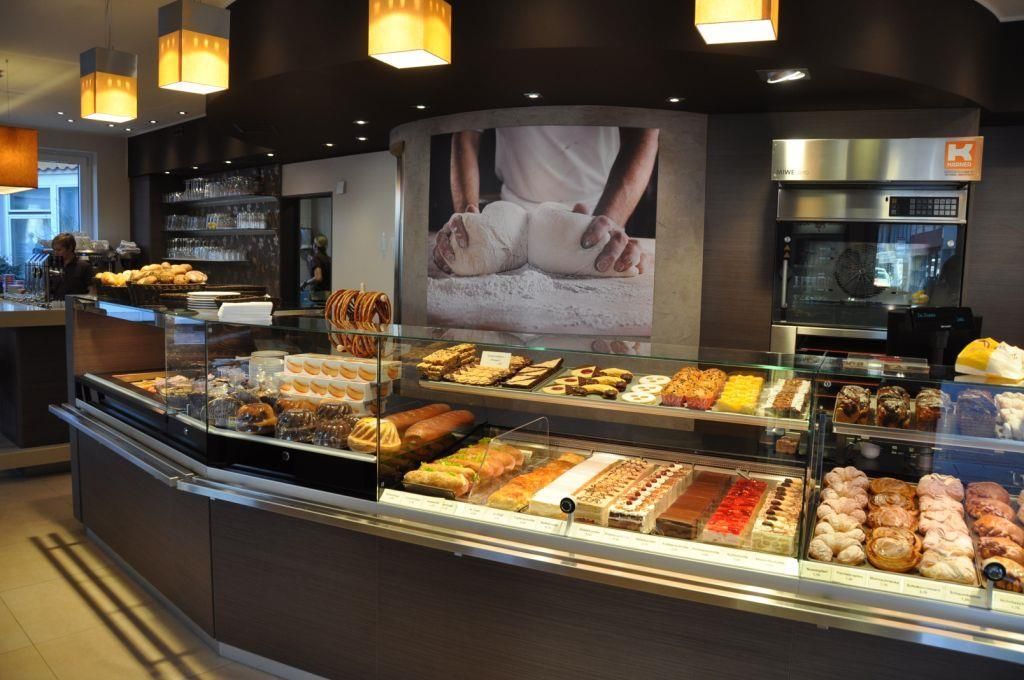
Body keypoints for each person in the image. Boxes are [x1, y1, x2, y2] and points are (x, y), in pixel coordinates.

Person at [432, 126, 660, 275]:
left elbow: (644, 133)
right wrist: (468, 225)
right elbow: (466, 132)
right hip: (510, 224)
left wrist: (608, 224)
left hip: (593, 214)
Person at [49, 232, 94, 299]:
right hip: (56, 304)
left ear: (70, 248)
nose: (55, 253)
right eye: (54, 250)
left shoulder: (84, 267)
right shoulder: (53, 266)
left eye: (59, 250)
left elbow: (92, 290)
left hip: (76, 305)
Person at [302, 234, 331, 300]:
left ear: (315, 245)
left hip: (318, 295)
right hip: (329, 294)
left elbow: (318, 277)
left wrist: (305, 283)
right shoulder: (329, 259)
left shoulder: (316, 259)